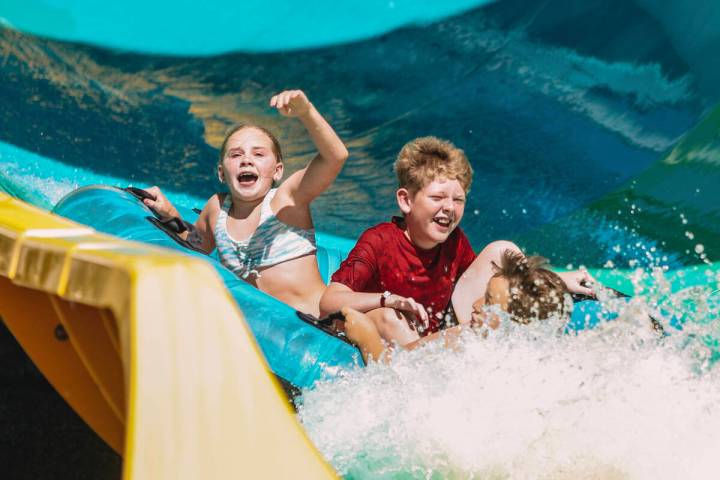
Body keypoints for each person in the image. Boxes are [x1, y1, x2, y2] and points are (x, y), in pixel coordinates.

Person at [320, 136, 593, 347]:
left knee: (502, 251)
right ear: (406, 200)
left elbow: (491, 285)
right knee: (387, 317)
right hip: (396, 345)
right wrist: (387, 300)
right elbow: (329, 302)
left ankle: (521, 328)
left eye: (458, 200)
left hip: (435, 334)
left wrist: (554, 281)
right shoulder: (379, 240)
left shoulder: (454, 243)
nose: (449, 208)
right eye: (437, 198)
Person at [143, 89, 348, 316]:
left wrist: (306, 112)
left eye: (258, 154)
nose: (246, 160)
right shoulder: (217, 209)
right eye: (236, 155)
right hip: (265, 332)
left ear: (278, 171)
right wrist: (169, 214)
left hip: (318, 328)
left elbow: (335, 157)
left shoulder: (287, 199)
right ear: (222, 173)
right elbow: (194, 244)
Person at [342, 249, 572, 363]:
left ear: (517, 326)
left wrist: (368, 341)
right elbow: (404, 361)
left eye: (490, 303)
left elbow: (397, 391)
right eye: (485, 295)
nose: (476, 303)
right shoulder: (469, 334)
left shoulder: (489, 369)